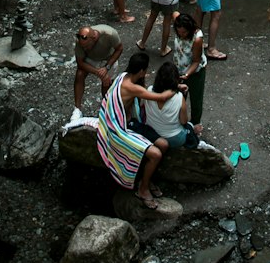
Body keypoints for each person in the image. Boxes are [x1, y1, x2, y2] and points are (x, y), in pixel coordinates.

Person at [96, 49, 176, 208]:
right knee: (156, 154)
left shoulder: (123, 76)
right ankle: (143, 189)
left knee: (164, 144)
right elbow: (161, 97)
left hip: (131, 122)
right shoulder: (132, 87)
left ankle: (148, 178)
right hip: (119, 129)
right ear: (141, 71)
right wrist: (176, 86)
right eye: (145, 70)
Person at [140, 58, 200, 148]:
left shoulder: (149, 91)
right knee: (189, 127)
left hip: (152, 134)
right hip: (174, 138)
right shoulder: (179, 97)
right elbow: (184, 121)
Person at [71, 24, 122, 122]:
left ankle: (106, 107)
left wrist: (107, 67)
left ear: (94, 38)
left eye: (86, 46)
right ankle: (77, 109)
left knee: (107, 84)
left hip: (108, 59)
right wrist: (98, 72)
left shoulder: (110, 34)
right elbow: (80, 62)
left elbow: (119, 49)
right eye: (83, 47)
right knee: (80, 74)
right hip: (91, 59)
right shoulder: (80, 41)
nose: (84, 49)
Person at [172, 10, 207, 124]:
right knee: (177, 98)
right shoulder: (178, 23)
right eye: (179, 32)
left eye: (184, 32)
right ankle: (178, 122)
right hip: (178, 69)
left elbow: (196, 61)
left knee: (196, 100)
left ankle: (195, 124)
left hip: (195, 72)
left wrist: (186, 75)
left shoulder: (197, 39)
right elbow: (175, 13)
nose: (181, 34)